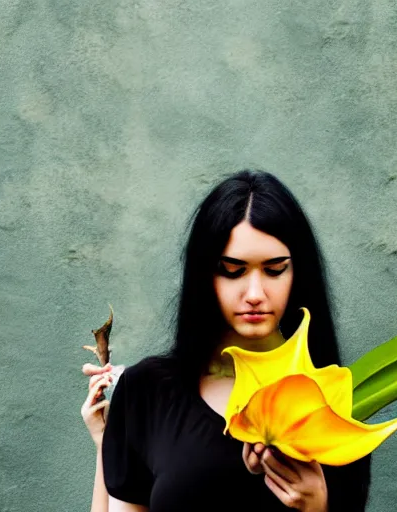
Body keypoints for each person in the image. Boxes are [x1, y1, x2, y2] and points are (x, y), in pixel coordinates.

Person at [81, 169, 372, 511]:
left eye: (275, 269)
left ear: (299, 273)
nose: (254, 294)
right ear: (205, 275)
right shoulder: (146, 389)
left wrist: (316, 508)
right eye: (232, 271)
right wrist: (108, 444)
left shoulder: (330, 402)